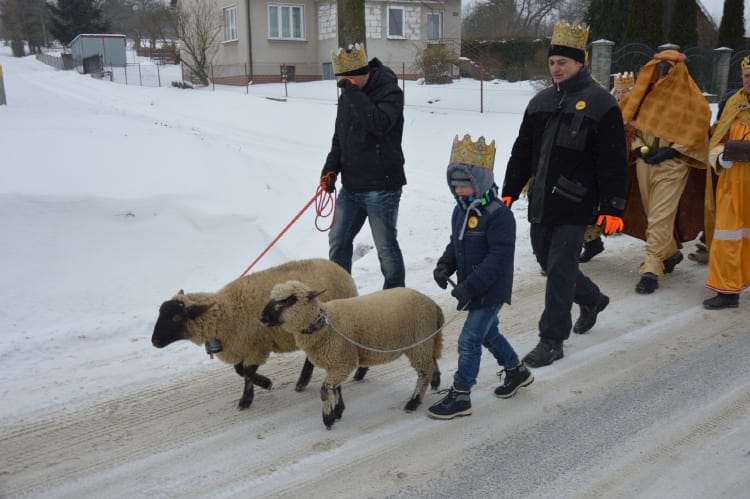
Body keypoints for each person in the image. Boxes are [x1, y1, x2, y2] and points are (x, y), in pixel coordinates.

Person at [501, 20, 627, 368]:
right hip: (542, 200)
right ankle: (592, 299)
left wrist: (613, 205)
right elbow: (522, 150)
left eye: (563, 63)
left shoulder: (601, 104)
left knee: (559, 267)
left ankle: (552, 339)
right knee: (547, 261)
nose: (556, 68)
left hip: (576, 202)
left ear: (581, 63)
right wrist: (510, 190)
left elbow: (614, 160)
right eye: (553, 63)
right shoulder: (540, 102)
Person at [428, 134, 533, 420]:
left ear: (481, 181)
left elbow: (498, 260)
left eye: (465, 185)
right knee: (488, 334)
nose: (459, 191)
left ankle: (461, 394)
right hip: (473, 288)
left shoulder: (499, 216)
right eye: (455, 186)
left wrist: (469, 287)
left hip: (491, 289)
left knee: (470, 339)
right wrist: (444, 266)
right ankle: (517, 371)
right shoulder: (460, 211)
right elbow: (456, 243)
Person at [619, 49, 711, 294]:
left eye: (667, 68)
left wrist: (671, 152)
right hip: (644, 162)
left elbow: (698, 133)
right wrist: (639, 149)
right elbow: (630, 125)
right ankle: (669, 253)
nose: (661, 73)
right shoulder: (643, 95)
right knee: (652, 214)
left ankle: (650, 270)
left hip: (673, 165)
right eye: (658, 67)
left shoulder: (692, 100)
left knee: (660, 216)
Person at [319, 43, 406, 289]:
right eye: (341, 80)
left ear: (362, 73)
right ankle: (340, 294)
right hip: (352, 187)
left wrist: (355, 95)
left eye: (347, 79)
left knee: (386, 247)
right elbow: (340, 138)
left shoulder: (390, 92)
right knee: (338, 240)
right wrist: (330, 170)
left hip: (383, 187)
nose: (343, 85)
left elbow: (378, 124)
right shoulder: (348, 96)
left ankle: (395, 298)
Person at [701, 56, 750, 309]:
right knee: (728, 236)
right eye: (747, 75)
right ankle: (728, 291)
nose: (749, 80)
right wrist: (720, 156)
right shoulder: (734, 102)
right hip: (732, 182)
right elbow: (718, 137)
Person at [580, 71, 634, 263]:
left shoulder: (637, 112)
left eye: (626, 92)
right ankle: (591, 241)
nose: (621, 96)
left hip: (629, 163)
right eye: (619, 92)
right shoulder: (607, 107)